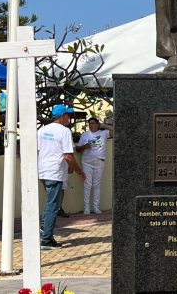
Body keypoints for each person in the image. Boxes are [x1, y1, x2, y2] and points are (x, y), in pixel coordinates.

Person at [37, 104, 85, 250]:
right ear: (62, 116)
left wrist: (68, 166)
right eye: (68, 115)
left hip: (43, 171)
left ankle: (45, 229)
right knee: (53, 206)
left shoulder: (42, 130)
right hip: (55, 173)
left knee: (50, 203)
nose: (69, 118)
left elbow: (38, 151)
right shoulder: (64, 131)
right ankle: (46, 240)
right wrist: (80, 172)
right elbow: (68, 156)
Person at [76, 117, 114, 215]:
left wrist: (103, 125)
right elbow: (78, 149)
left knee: (96, 184)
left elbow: (114, 130)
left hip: (99, 161)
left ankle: (96, 208)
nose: (91, 125)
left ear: (97, 124)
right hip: (87, 162)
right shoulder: (85, 135)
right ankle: (86, 208)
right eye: (90, 124)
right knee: (87, 184)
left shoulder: (103, 133)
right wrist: (85, 146)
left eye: (93, 123)